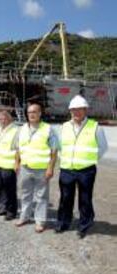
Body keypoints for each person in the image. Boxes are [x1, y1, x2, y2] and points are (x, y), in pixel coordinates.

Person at [56, 95, 108, 238]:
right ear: (70, 111)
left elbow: (103, 147)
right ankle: (63, 222)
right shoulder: (64, 127)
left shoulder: (95, 127)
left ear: (85, 110)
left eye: (80, 109)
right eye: (73, 110)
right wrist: (66, 160)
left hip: (86, 170)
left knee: (85, 199)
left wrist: (89, 161)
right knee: (65, 198)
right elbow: (60, 146)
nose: (76, 112)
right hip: (67, 169)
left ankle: (84, 225)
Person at [15, 103, 58, 232]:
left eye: (35, 112)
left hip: (41, 169)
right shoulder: (21, 129)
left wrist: (51, 168)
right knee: (25, 194)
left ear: (40, 113)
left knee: (41, 196)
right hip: (25, 168)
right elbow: (18, 148)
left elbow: (54, 151)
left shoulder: (48, 129)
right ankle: (25, 216)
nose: (32, 114)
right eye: (29, 112)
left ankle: (40, 221)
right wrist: (16, 162)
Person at [0, 110, 19, 221]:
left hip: (9, 165)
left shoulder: (15, 130)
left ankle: (11, 211)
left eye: (4, 119)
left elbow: (18, 149)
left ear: (9, 119)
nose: (2, 121)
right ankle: (2, 208)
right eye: (0, 119)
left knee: (10, 189)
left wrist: (17, 163)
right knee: (1, 188)